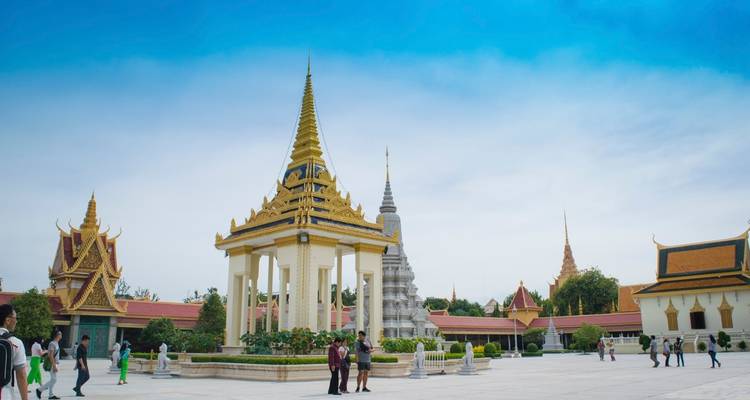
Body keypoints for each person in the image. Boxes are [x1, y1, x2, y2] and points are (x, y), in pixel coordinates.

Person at [1, 304, 29, 400]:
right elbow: (21, 375)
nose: (16, 321)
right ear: (8, 320)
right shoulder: (15, 342)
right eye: (15, 318)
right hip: (4, 394)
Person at [37, 331, 62, 399]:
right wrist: (54, 366)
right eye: (60, 333)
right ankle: (39, 390)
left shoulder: (56, 343)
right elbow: (50, 355)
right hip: (52, 364)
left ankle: (51, 395)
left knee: (52, 379)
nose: (61, 334)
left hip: (55, 363)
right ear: (57, 335)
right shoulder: (52, 343)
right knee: (54, 379)